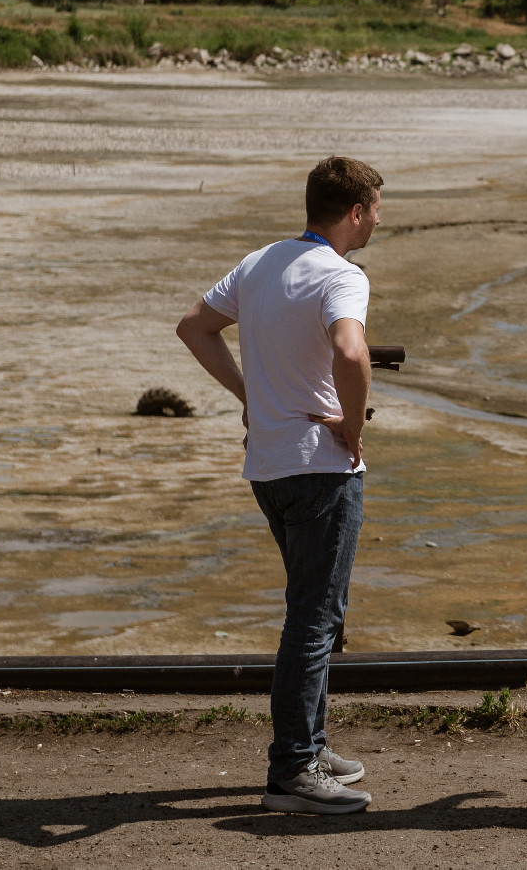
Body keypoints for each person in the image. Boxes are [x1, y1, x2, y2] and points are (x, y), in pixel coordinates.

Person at [176, 155, 383, 816]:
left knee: (313, 612)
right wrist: (353, 425)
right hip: (321, 467)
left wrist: (250, 394)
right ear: (355, 212)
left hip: (269, 465)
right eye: (377, 207)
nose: (380, 218)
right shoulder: (343, 275)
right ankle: (293, 769)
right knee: (314, 618)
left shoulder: (261, 260)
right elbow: (351, 352)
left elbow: (195, 327)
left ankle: (312, 745)